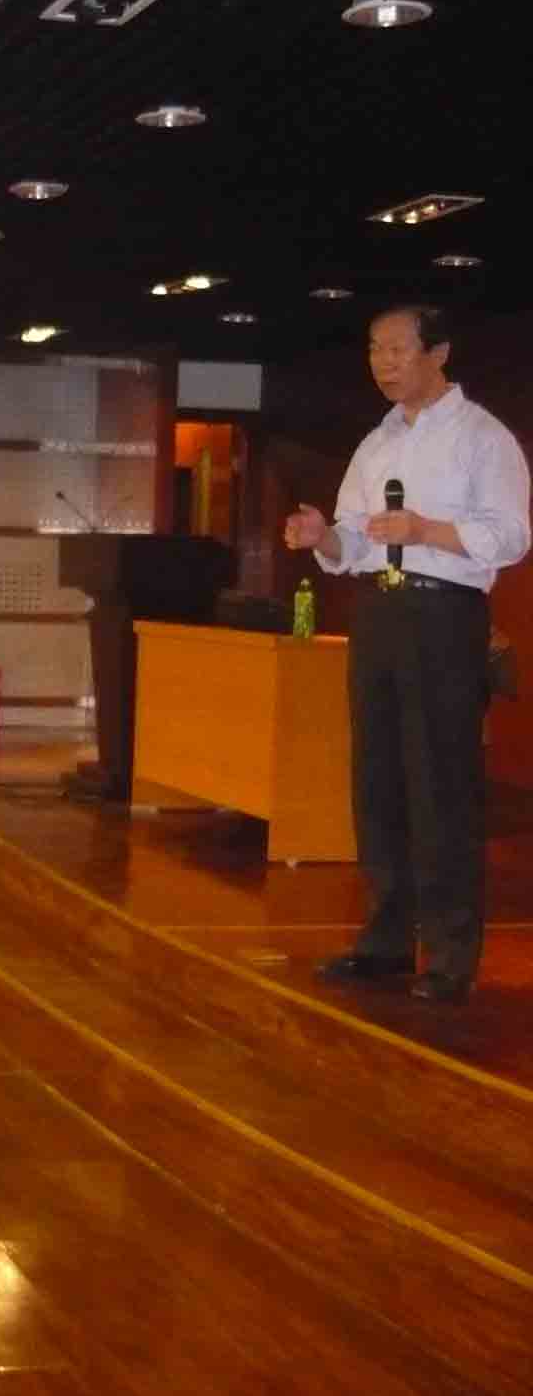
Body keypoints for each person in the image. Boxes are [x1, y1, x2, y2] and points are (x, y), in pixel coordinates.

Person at [285, 304, 532, 1004]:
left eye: (397, 348)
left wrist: (427, 531)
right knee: (378, 782)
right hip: (378, 613)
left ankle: (450, 954)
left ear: (438, 353)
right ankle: (386, 939)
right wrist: (323, 537)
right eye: (375, 350)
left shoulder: (482, 437)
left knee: (440, 784)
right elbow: (352, 541)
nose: (383, 363)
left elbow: (512, 536)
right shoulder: (376, 443)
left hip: (444, 614)